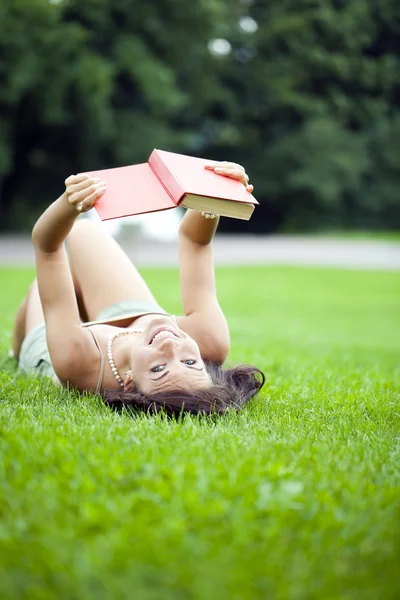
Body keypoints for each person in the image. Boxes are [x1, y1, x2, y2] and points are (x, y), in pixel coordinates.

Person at [12, 161, 265, 415]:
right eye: (190, 362)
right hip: (132, 317)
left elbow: (47, 246)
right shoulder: (208, 340)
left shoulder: (76, 360)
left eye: (158, 369)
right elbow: (195, 241)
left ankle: (18, 348)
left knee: (40, 288)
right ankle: (78, 294)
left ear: (130, 382)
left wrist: (70, 204)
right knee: (84, 230)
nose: (170, 347)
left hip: (63, 345)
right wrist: (216, 196)